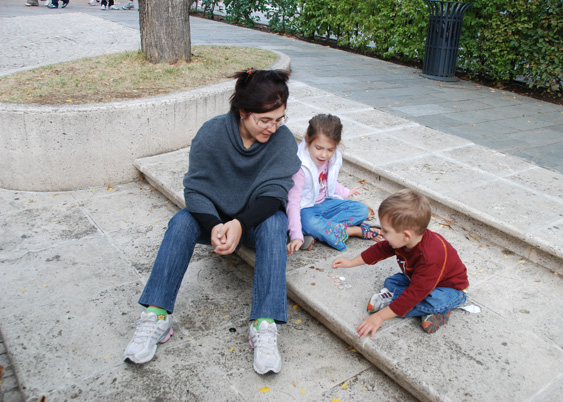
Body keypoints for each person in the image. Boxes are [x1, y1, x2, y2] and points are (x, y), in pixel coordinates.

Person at [123, 69, 301, 375]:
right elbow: (195, 189)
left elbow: (274, 195)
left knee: (275, 223)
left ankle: (264, 323)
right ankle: (157, 316)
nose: (273, 127)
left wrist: (241, 224)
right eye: (265, 120)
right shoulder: (211, 133)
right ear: (243, 112)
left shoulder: (282, 141)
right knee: (181, 222)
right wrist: (216, 224)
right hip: (215, 219)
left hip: (255, 220)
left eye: (279, 118)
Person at [332, 189, 469, 337]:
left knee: (430, 300)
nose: (381, 233)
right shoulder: (404, 240)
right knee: (392, 281)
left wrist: (380, 317)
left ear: (406, 235)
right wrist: (351, 262)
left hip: (450, 290)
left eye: (385, 230)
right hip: (421, 280)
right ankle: (408, 305)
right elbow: (379, 250)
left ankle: (436, 310)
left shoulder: (430, 259)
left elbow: (414, 294)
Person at [286, 114, 381, 255]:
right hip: (306, 209)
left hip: (326, 203)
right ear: (307, 141)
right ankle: (353, 231)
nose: (324, 155)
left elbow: (327, 181)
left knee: (361, 210)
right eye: (318, 148)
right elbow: (293, 201)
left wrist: (345, 192)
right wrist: (295, 234)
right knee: (309, 222)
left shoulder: (333, 159)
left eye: (330, 149)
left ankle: (322, 232)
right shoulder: (301, 166)